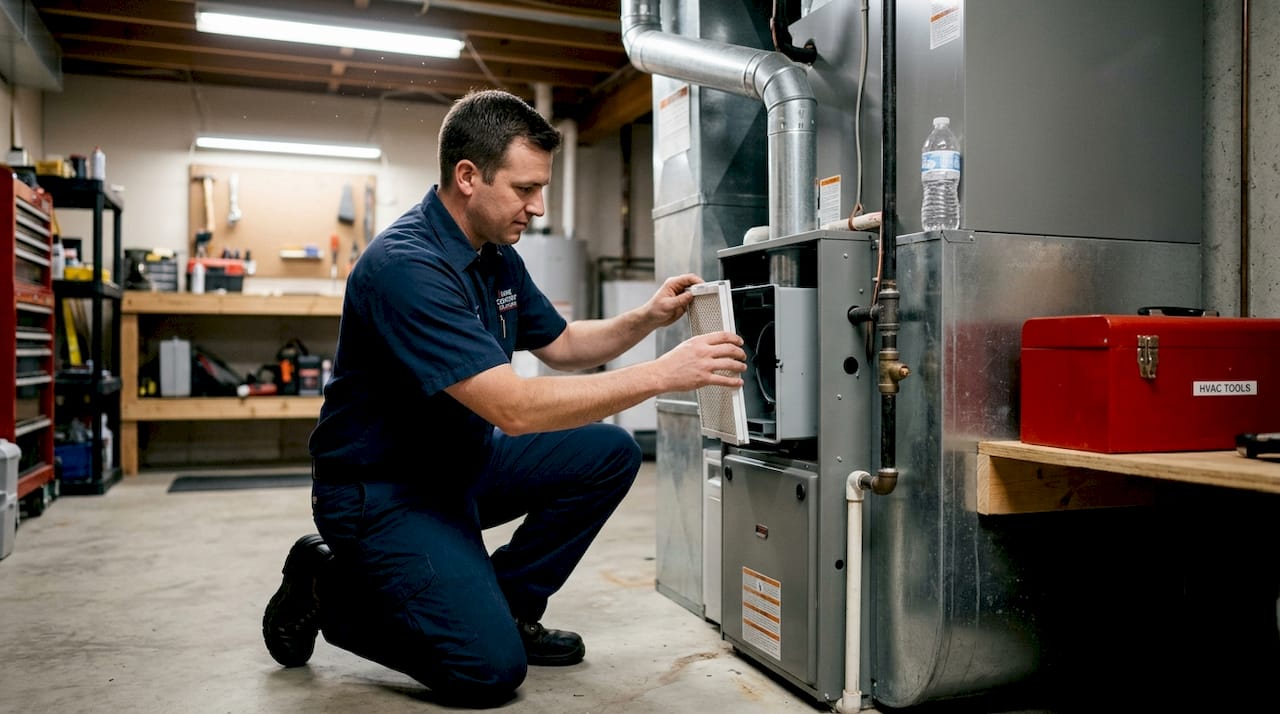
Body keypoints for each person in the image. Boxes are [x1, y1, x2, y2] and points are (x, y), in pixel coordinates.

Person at [261, 89, 746, 706]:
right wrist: (661, 375)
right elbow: (512, 408)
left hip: (460, 465)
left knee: (609, 452)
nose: (537, 207)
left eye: (540, 189)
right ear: (468, 177)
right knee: (488, 671)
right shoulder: (405, 266)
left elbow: (565, 344)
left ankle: (506, 604)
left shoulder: (494, 255)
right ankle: (328, 586)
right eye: (524, 189)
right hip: (382, 490)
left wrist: (649, 319)